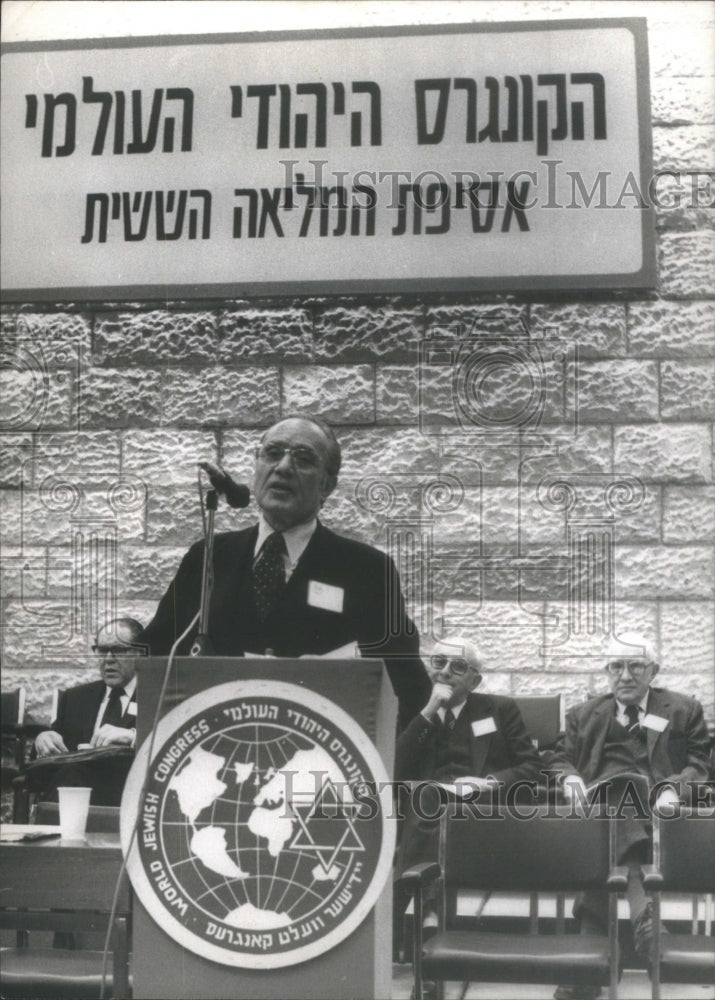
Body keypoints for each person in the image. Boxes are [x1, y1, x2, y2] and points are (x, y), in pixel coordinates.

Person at [139, 414, 431, 729]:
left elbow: (407, 683)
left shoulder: (368, 570)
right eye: (273, 453)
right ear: (257, 465)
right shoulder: (208, 556)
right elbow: (154, 655)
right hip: (212, 747)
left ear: (327, 485)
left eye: (304, 459)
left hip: (320, 754)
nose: (283, 468)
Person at [550, 631, 711, 1000]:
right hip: (596, 811)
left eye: (635, 666)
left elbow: (700, 762)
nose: (625, 675)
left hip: (660, 815)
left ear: (653, 670)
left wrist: (674, 787)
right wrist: (569, 775)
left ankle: (588, 972)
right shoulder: (583, 714)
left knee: (618, 811)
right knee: (617, 796)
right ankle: (646, 919)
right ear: (607, 671)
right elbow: (557, 758)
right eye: (616, 666)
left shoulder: (683, 709)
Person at [396, 636, 542, 915]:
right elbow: (393, 767)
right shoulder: (414, 712)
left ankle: (412, 911)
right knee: (425, 795)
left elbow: (533, 767)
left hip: (481, 809)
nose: (445, 671)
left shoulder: (499, 709)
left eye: (458, 666)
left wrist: (488, 783)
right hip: (425, 808)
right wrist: (429, 711)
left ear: (475, 682)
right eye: (438, 662)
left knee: (425, 802)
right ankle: (428, 909)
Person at [31, 616, 144, 807]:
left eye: (118, 650)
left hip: (127, 799)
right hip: (73, 796)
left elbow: (169, 747)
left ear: (140, 653)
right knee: (71, 773)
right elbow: (44, 763)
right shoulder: (76, 698)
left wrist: (133, 736)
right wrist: (42, 740)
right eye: (102, 651)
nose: (108, 659)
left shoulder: (157, 696)